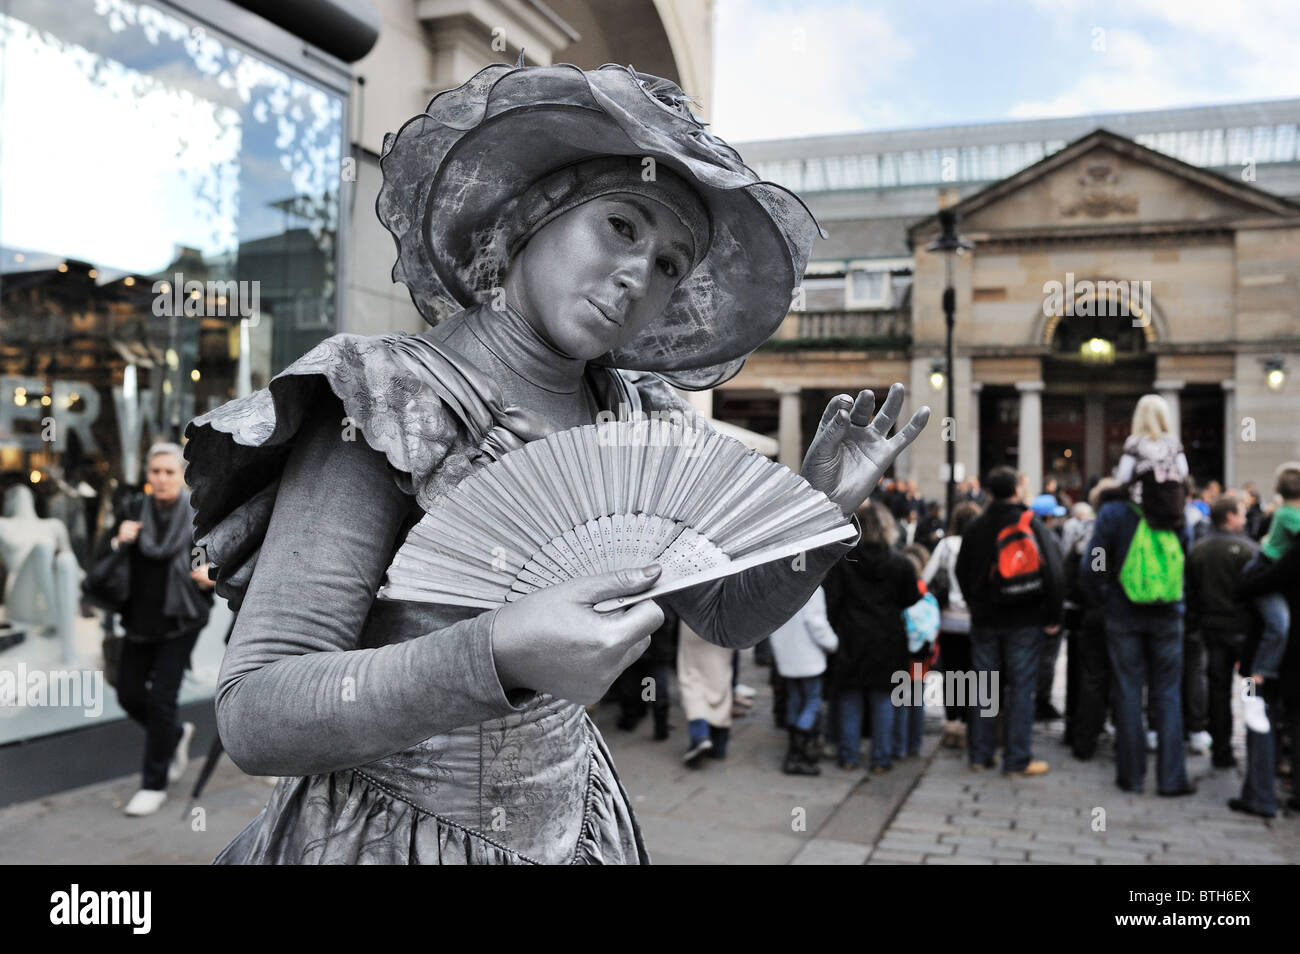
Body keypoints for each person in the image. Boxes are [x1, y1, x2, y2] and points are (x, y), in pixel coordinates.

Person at [186, 62, 930, 865]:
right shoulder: (390, 400)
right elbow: (256, 712)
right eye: (621, 225)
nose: (639, 274)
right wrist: (495, 651)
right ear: (533, 217)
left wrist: (813, 515)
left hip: (575, 825)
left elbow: (720, 614)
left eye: (671, 263)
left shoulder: (638, 420)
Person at [109, 443, 215, 816]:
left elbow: (215, 552)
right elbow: (104, 560)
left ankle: (153, 784)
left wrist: (210, 574)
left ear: (181, 475)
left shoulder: (198, 511)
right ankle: (173, 734)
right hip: (139, 618)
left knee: (161, 699)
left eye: (170, 472)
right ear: (148, 475)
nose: (162, 478)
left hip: (181, 617)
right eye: (156, 471)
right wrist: (117, 539)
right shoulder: (134, 509)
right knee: (127, 693)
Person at [1081, 459, 1194, 797]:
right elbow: (1185, 557)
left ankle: (1130, 776)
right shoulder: (1176, 515)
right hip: (1168, 611)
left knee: (1127, 690)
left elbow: (1095, 561)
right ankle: (1172, 778)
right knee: (1168, 694)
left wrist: (1103, 594)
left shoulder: (1115, 513)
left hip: (1123, 611)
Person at [954, 466, 1063, 777]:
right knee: (1021, 688)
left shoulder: (975, 526)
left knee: (985, 687)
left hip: (986, 619)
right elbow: (1054, 572)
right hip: (1025, 618)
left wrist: (975, 601)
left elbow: (962, 571)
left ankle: (980, 754)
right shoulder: (1031, 523)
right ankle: (1016, 760)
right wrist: (1054, 616)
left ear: (988, 492)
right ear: (1016, 491)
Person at [824, 501, 922, 772]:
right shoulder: (901, 563)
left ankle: (849, 756)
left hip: (851, 637)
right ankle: (880, 758)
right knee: (883, 699)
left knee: (850, 698)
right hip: (888, 638)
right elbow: (910, 598)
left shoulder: (844, 562)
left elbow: (832, 602)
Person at [1234, 517, 1300, 816]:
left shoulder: (1285, 555)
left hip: (1259, 663)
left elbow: (1250, 586)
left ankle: (1258, 796)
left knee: (1255, 715)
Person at [1185, 493, 1256, 768]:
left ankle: (1222, 749)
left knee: (1218, 689)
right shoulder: (1248, 550)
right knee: (1249, 689)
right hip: (1243, 632)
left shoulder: (1199, 549)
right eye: (1241, 513)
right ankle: (1254, 748)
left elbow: (1191, 593)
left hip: (1212, 630)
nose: (1245, 518)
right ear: (1229, 516)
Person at [1239, 463, 1300, 695]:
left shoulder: (1277, 515)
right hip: (1269, 659)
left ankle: (1254, 690)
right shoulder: (1286, 516)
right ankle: (1258, 679)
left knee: (1255, 702)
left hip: (1260, 649)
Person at [923, 500, 980, 748]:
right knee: (973, 672)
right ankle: (970, 723)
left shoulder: (946, 546)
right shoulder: (982, 544)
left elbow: (926, 578)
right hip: (976, 619)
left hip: (949, 620)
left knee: (953, 673)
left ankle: (953, 723)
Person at [768, 586, 838, 775]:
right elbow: (816, 624)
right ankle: (797, 753)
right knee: (812, 701)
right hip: (808, 655)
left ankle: (795, 751)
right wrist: (833, 643)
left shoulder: (780, 587)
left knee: (795, 700)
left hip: (787, 654)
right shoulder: (813, 588)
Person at [1114, 394, 1189, 532]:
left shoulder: (1134, 442)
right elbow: (1183, 472)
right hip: (1170, 506)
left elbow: (1123, 476)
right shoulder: (1173, 441)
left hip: (1141, 506)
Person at [1029, 492, 1068, 720]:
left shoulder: (1028, 535)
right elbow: (1057, 576)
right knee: (1046, 657)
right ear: (1048, 518)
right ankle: (1041, 701)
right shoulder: (1049, 539)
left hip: (1030, 607)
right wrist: (1055, 615)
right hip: (1047, 609)